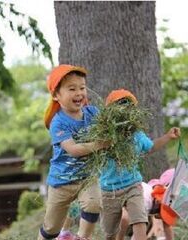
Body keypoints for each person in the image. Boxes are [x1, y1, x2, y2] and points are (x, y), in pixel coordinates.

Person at [38, 64, 108, 240]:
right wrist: (100, 144)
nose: (79, 93)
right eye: (72, 89)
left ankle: (82, 237)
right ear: (56, 95)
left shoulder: (93, 113)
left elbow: (109, 127)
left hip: (87, 177)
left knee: (93, 204)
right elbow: (74, 149)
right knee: (51, 228)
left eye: (82, 88)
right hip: (61, 182)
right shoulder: (58, 123)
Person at [99, 89, 180, 240]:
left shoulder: (137, 135)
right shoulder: (106, 136)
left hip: (133, 185)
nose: (125, 110)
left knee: (139, 218)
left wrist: (168, 136)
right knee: (110, 232)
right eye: (120, 106)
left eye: (129, 107)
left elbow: (151, 147)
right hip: (109, 189)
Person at [117, 168, 176, 240]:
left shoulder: (156, 199)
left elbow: (167, 226)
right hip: (129, 194)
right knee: (126, 219)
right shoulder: (147, 202)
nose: (161, 219)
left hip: (128, 190)